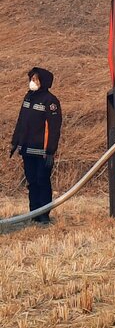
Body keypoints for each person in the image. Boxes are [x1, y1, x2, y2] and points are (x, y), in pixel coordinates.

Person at [10, 67, 62, 225]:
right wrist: (15, 142)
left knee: (42, 181)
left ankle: (44, 214)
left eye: (35, 80)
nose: (32, 82)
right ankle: (34, 213)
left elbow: (54, 129)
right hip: (27, 149)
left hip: (42, 152)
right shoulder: (28, 98)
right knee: (32, 182)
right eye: (31, 79)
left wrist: (50, 151)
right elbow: (21, 121)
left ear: (43, 82)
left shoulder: (50, 101)